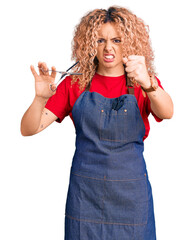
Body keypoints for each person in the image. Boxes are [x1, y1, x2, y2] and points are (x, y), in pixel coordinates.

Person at [21, 6, 173, 240]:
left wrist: (148, 83)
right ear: (90, 43)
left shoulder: (143, 81)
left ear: (130, 43)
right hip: (85, 197)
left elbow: (168, 111)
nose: (108, 47)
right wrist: (40, 99)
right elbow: (29, 129)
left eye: (116, 40)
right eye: (100, 40)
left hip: (131, 197)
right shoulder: (75, 84)